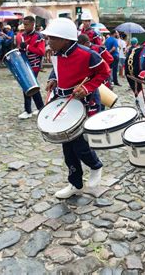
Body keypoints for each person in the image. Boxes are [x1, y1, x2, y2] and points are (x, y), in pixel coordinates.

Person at [43, 18, 110, 198]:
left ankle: (96, 166)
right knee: (66, 146)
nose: (48, 42)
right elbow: (57, 69)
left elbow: (104, 72)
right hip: (64, 100)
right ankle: (75, 182)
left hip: (85, 102)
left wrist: (87, 87)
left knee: (80, 144)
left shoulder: (88, 54)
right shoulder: (56, 52)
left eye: (52, 38)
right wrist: (53, 79)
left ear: (65, 39)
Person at [17, 16, 45, 119]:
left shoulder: (39, 36)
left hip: (35, 65)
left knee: (28, 86)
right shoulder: (23, 35)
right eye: (24, 24)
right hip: (26, 64)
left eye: (26, 24)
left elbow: (41, 52)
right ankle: (41, 108)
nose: (24, 26)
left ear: (33, 24)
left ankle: (28, 110)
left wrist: (28, 47)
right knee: (32, 87)